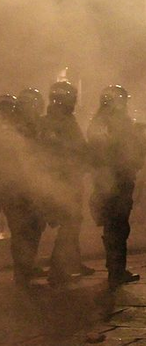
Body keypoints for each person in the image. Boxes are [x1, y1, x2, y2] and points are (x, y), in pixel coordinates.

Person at [87, 85, 146, 289]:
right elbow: (128, 150)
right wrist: (138, 135)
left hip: (106, 181)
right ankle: (116, 270)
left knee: (112, 225)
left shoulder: (98, 122)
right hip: (117, 180)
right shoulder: (115, 124)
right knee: (118, 225)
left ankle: (114, 268)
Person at [41, 81, 93, 285]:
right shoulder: (55, 122)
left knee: (74, 221)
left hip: (70, 180)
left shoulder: (64, 120)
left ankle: (73, 263)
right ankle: (58, 270)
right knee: (70, 223)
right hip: (63, 182)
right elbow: (59, 153)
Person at [0, 93, 45, 286]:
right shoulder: (8, 134)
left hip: (21, 188)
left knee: (31, 228)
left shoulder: (19, 131)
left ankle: (27, 266)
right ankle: (22, 272)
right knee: (22, 231)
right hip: (14, 189)